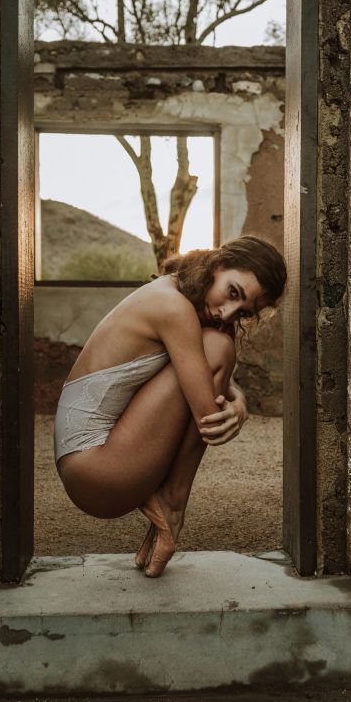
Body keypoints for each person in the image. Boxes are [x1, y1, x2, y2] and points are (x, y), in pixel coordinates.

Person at [54, 234, 287, 578]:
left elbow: (196, 377)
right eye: (232, 293)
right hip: (96, 471)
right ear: (217, 264)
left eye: (243, 312)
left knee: (215, 345)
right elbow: (208, 415)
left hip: (84, 464)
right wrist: (237, 408)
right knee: (219, 348)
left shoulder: (171, 289)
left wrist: (239, 401)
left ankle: (168, 505)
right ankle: (173, 504)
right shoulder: (173, 308)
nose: (226, 312)